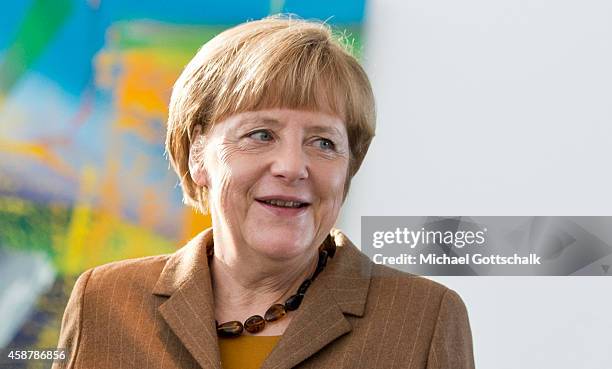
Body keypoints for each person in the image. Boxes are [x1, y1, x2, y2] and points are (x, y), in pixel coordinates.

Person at [53, 16, 474, 369]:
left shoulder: (424, 318)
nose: (293, 166)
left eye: (323, 142)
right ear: (198, 153)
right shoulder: (103, 301)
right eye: (260, 134)